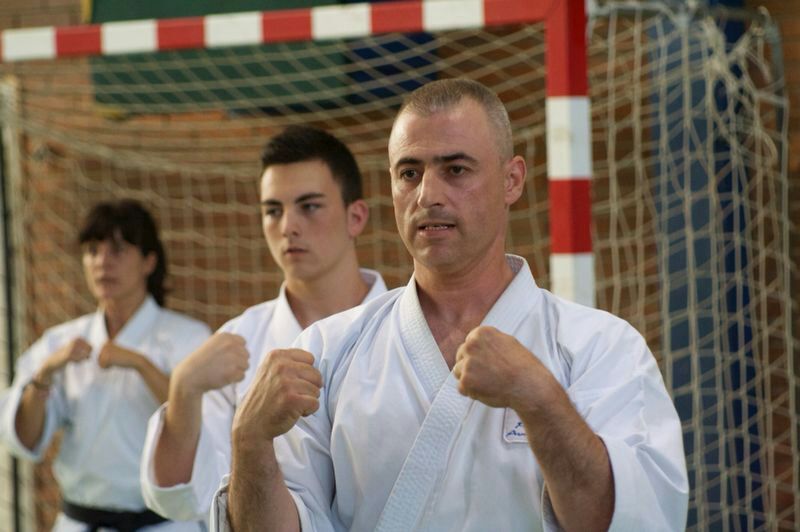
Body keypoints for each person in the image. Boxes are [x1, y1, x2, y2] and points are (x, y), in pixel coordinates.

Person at [213, 79, 690, 532]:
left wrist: (538, 397)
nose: (428, 195)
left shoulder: (599, 347)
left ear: (512, 180)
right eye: (409, 173)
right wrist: (248, 443)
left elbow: (634, 517)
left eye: (455, 169)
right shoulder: (327, 350)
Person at [139, 125, 387, 526]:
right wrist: (183, 390)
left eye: (309, 207)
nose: (288, 225)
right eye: (273, 210)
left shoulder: (405, 328)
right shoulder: (239, 343)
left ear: (355, 216)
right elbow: (179, 500)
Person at [0, 199, 211, 531]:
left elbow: (202, 426)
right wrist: (44, 375)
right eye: (92, 251)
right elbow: (25, 441)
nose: (102, 263)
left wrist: (140, 364)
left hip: (162, 525)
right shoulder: (60, 343)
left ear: (149, 261)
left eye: (117, 250)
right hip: (79, 522)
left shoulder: (188, 338)